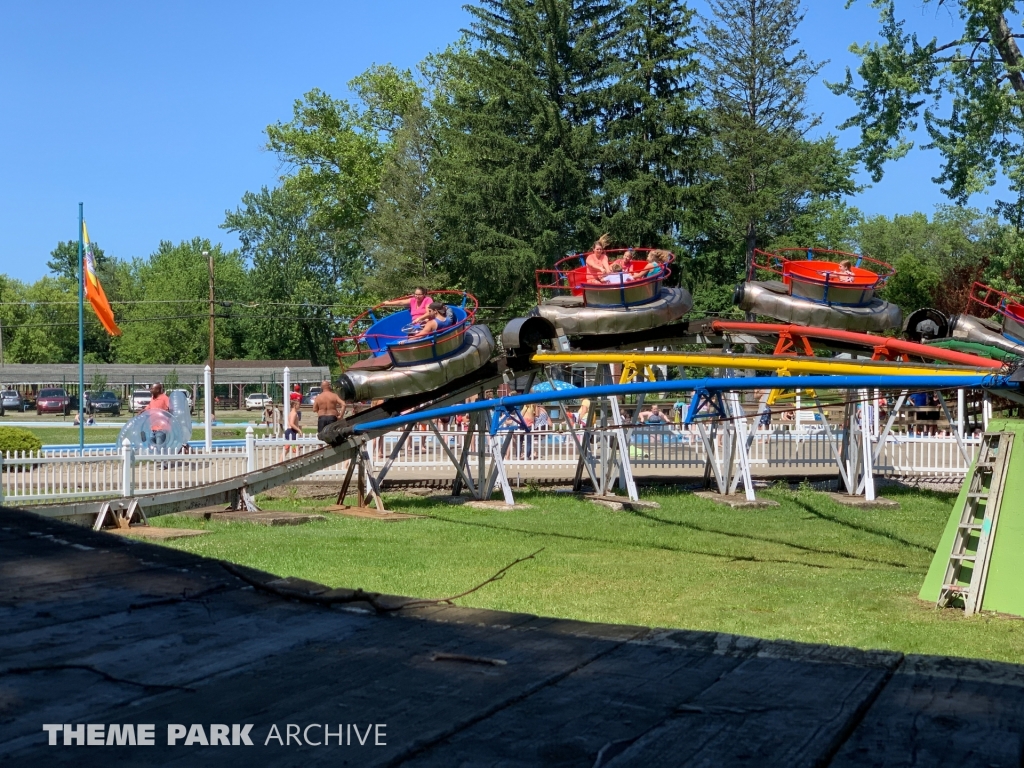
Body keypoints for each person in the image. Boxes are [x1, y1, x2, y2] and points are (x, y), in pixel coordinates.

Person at [146, 383, 172, 447]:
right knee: (153, 449)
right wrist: (142, 411)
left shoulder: (165, 398)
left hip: (161, 429)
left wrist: (166, 413)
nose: (150, 389)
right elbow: (149, 406)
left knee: (160, 449)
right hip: (152, 428)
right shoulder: (153, 398)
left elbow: (171, 409)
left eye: (152, 388)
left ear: (157, 390)